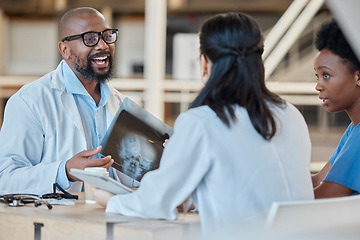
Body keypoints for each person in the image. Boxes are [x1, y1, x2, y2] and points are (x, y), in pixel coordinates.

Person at [93, 12, 314, 236]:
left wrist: (110, 199)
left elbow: (155, 203)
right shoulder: (291, 114)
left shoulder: (202, 121)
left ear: (205, 62)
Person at [0, 7, 125, 195]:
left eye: (107, 36)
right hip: (57, 220)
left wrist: (162, 155)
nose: (102, 45)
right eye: (90, 38)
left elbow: (133, 176)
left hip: (113, 215)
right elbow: (5, 179)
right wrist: (64, 171)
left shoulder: (120, 103)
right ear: (65, 50)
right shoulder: (29, 101)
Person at [312, 19, 360, 198]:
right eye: (317, 76)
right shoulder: (353, 130)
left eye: (326, 75)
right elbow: (318, 180)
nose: (318, 86)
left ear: (358, 77)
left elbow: (322, 197)